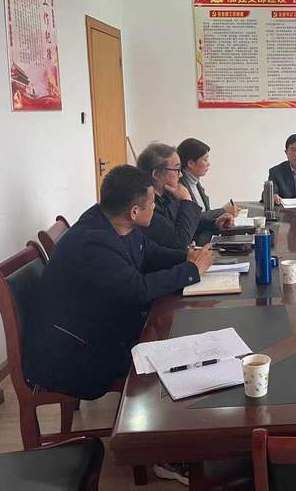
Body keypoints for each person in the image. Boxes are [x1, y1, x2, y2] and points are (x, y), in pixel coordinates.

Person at [24, 165, 213, 401]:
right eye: (152, 203)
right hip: (75, 355)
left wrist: (187, 257)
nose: (155, 207)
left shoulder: (113, 221)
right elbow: (138, 290)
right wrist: (191, 270)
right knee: (177, 360)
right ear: (134, 211)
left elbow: (149, 252)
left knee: (179, 339)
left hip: (98, 327)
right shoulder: (93, 243)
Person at [177, 137, 237, 243]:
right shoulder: (180, 187)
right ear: (191, 163)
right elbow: (193, 219)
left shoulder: (195, 182)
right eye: (205, 160)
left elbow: (203, 217)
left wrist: (218, 221)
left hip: (207, 238)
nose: (208, 164)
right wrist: (222, 211)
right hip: (194, 243)